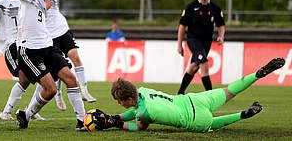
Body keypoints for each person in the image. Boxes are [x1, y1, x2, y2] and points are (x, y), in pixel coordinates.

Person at [94, 58, 285, 132]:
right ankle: (257, 74)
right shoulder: (143, 91)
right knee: (229, 91)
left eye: (119, 101)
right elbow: (135, 110)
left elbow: (139, 125)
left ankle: (242, 115)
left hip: (195, 118)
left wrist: (117, 123)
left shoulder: (144, 113)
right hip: (194, 99)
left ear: (128, 98)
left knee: (211, 124)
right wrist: (115, 117)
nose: (119, 103)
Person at [7, 0, 85, 130]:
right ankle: (27, 114)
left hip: (48, 47)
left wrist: (46, 4)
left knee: (70, 79)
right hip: (30, 51)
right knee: (51, 90)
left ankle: (82, 121)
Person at [34, 0, 96, 112]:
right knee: (59, 67)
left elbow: (46, 5)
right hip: (48, 34)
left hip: (62, 29)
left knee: (75, 56)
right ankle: (58, 94)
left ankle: (84, 90)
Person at [177, 0, 225, 94]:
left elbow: (221, 25)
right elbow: (182, 26)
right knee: (204, 63)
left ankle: (180, 93)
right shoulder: (191, 7)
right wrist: (179, 45)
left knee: (194, 67)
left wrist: (221, 36)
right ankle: (211, 95)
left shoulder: (215, 8)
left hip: (206, 42)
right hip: (193, 40)